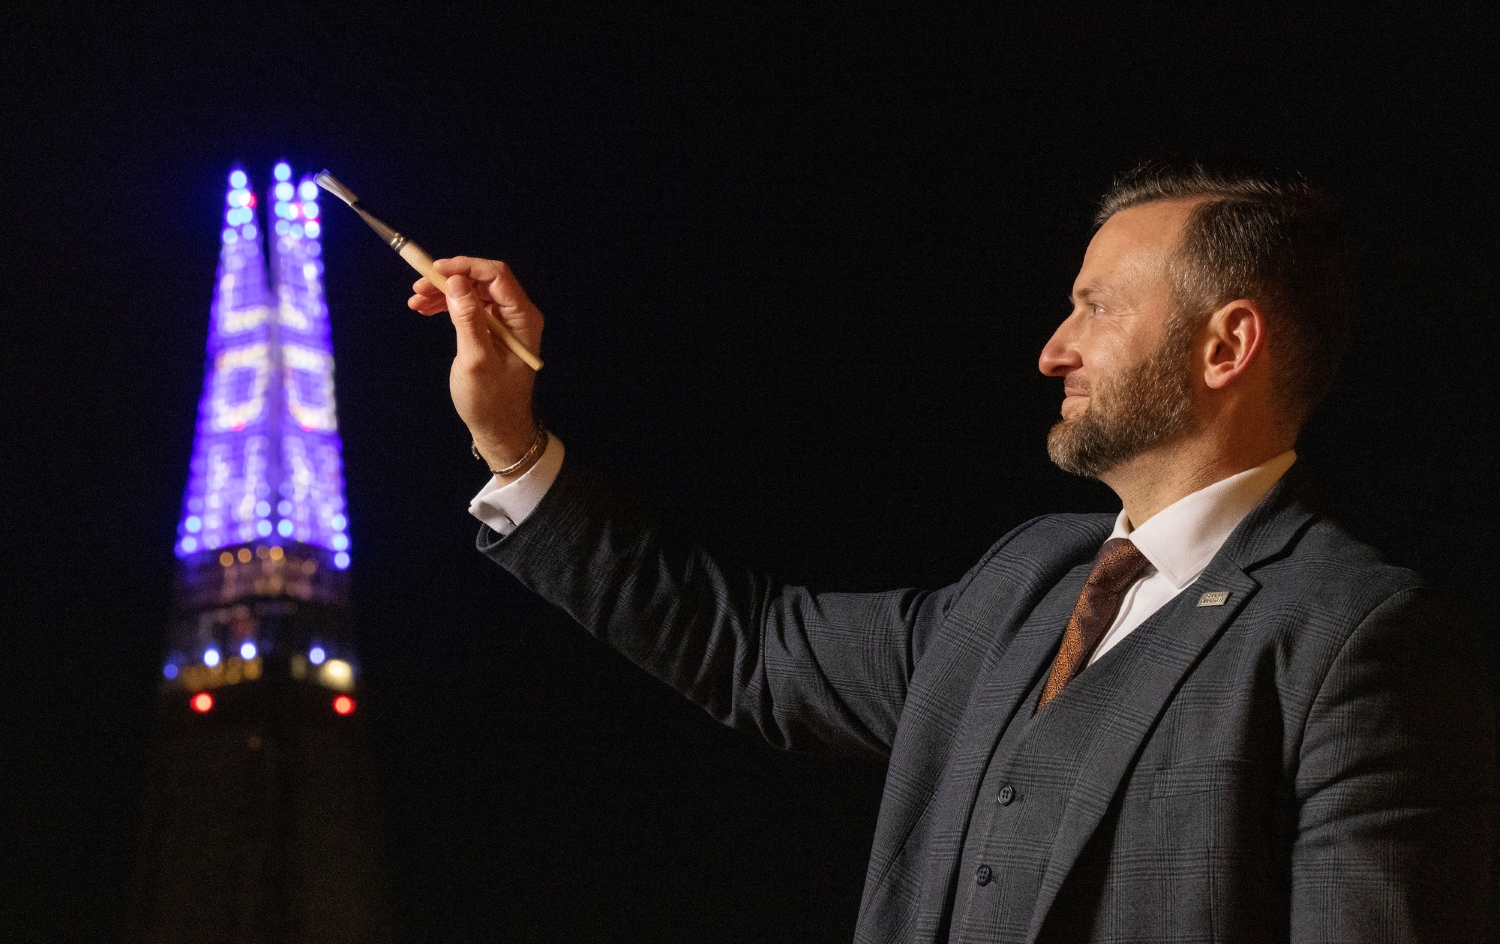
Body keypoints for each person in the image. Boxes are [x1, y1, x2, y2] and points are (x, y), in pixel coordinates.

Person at [408, 160, 1496, 942]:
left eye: (1093, 307)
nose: (1051, 348)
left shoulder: (1362, 638)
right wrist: (512, 438)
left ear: (1227, 344)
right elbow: (750, 648)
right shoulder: (1019, 583)